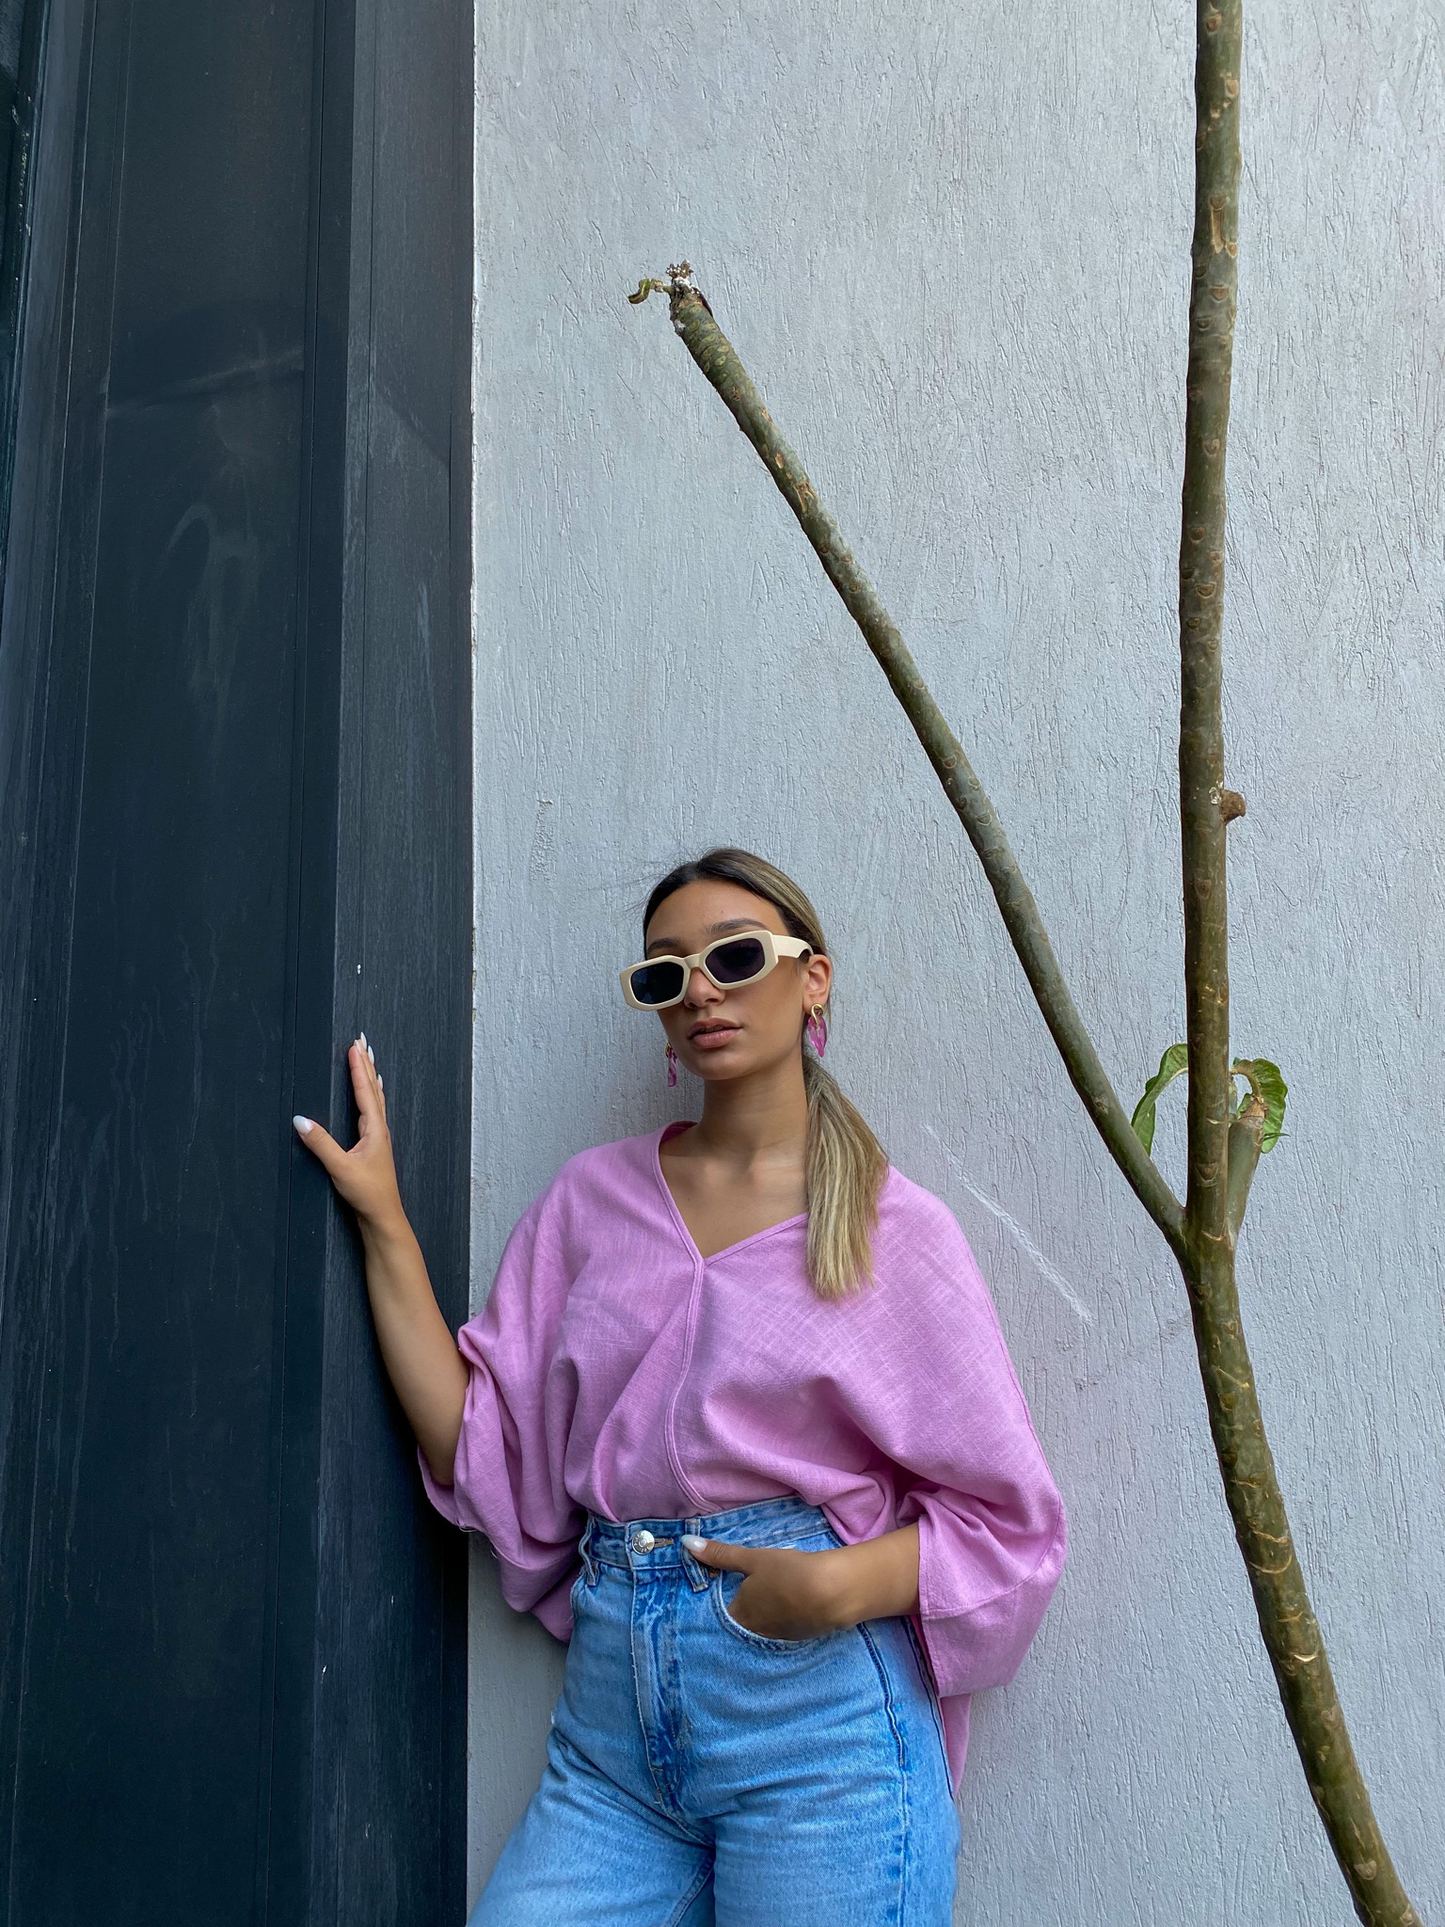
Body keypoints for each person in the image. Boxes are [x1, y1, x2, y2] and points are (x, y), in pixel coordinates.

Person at [293, 846, 1066, 1925]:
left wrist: (832, 1588)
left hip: (821, 1735)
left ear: (812, 978)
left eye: (734, 956)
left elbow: (1007, 1523)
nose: (699, 988)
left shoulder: (892, 1229)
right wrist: (380, 1214)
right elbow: (482, 1444)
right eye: (664, 973)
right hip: (613, 1740)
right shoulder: (590, 1201)